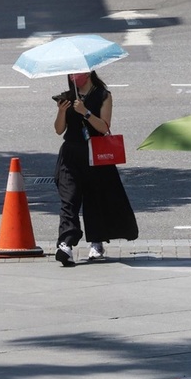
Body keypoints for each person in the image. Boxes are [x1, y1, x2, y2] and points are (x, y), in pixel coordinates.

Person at [53, 71, 138, 266]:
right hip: (70, 154)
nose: (74, 76)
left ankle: (97, 241)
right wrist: (61, 111)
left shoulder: (103, 95)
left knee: (95, 199)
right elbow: (59, 130)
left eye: (77, 72)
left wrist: (86, 112)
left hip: (95, 154)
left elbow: (104, 127)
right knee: (69, 199)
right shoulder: (68, 96)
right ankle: (66, 244)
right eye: (71, 73)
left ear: (88, 72)